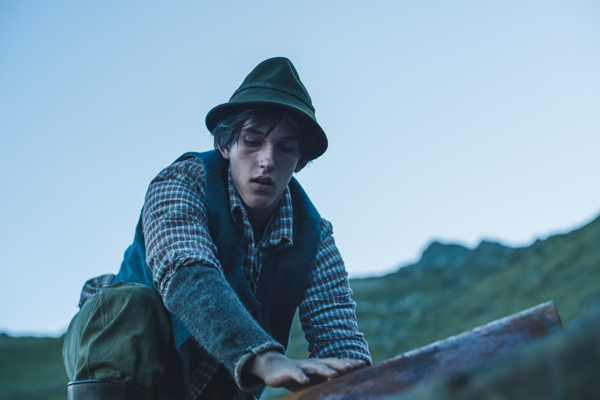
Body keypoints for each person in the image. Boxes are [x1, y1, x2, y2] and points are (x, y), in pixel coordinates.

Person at [63, 57, 371, 400]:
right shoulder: (181, 182)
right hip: (123, 360)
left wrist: (363, 385)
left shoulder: (315, 237)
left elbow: (340, 339)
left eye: (285, 148)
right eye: (252, 141)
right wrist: (263, 358)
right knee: (128, 304)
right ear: (226, 145)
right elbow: (186, 273)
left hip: (215, 386)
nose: (267, 160)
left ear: (299, 160)